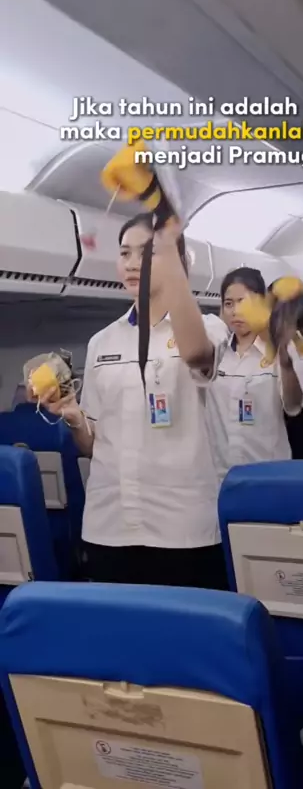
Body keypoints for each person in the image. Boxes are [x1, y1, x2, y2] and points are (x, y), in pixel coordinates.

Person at [28, 212, 230, 589]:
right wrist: (73, 415)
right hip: (109, 525)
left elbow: (197, 355)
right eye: (125, 254)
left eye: (148, 253)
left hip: (183, 528)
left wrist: (175, 274)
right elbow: (93, 444)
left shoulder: (208, 328)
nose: (133, 263)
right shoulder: (101, 342)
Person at [205, 267, 303, 482]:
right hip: (221, 475)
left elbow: (293, 406)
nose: (235, 311)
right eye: (228, 303)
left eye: (243, 302)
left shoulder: (280, 350)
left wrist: (286, 364)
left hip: (268, 473)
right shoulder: (215, 351)